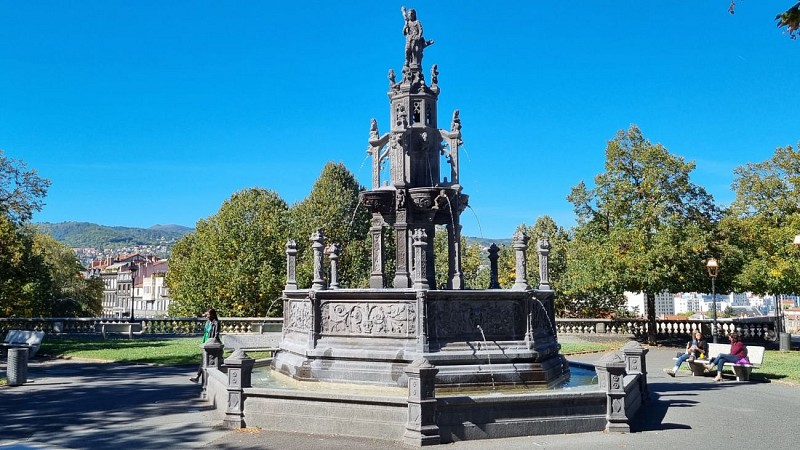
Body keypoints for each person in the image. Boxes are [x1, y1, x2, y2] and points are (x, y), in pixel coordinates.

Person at [189, 308, 220, 383]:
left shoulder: (216, 323)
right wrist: (203, 342)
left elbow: (216, 333)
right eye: (206, 314)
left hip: (212, 343)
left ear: (212, 314)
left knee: (205, 360)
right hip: (205, 342)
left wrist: (212, 342)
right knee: (204, 360)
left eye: (208, 314)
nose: (207, 316)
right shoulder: (207, 322)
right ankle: (200, 378)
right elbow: (205, 333)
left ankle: (198, 377)